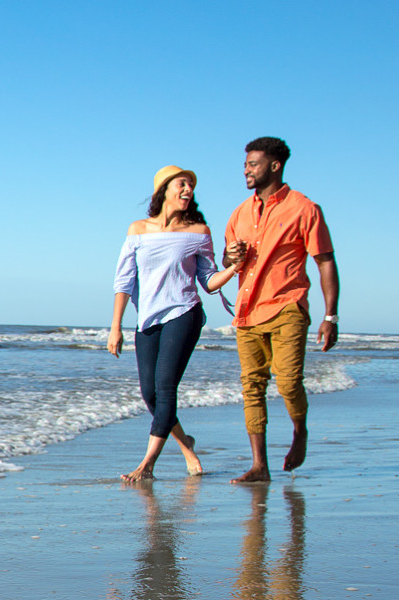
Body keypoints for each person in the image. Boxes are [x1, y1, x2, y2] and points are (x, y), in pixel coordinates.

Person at [110, 165, 242, 482]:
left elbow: (209, 282)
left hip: (184, 313)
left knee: (166, 387)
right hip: (148, 319)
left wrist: (235, 267)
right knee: (150, 394)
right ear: (164, 189)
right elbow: (124, 281)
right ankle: (187, 446)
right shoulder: (137, 230)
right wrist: (116, 326)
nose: (188, 190)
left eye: (191, 186)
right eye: (182, 184)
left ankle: (147, 465)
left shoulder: (198, 231)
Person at [223, 136, 339, 484]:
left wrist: (330, 316)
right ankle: (260, 466)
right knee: (252, 387)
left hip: (287, 306)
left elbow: (325, 262)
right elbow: (227, 260)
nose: (246, 169)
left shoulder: (304, 209)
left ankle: (299, 430)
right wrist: (231, 258)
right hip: (247, 311)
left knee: (288, 382)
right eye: (245, 164)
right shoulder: (240, 212)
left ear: (274, 166)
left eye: (253, 164)